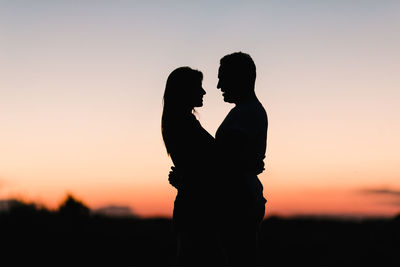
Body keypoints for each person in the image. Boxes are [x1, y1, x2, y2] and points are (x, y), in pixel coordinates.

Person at [161, 67, 224, 266]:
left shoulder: (181, 123)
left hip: (193, 207)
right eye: (198, 87)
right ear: (184, 91)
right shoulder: (184, 125)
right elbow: (206, 166)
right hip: (197, 212)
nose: (204, 92)